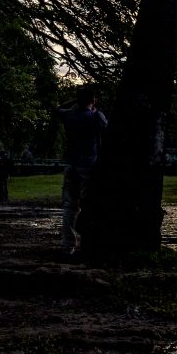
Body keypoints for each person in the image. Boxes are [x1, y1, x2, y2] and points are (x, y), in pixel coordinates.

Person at [58, 86, 108, 253]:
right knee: (89, 204)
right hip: (89, 165)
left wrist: (75, 100)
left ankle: (67, 245)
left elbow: (58, 108)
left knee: (69, 206)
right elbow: (108, 133)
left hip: (70, 164)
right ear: (93, 100)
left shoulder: (68, 115)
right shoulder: (96, 116)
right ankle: (88, 242)